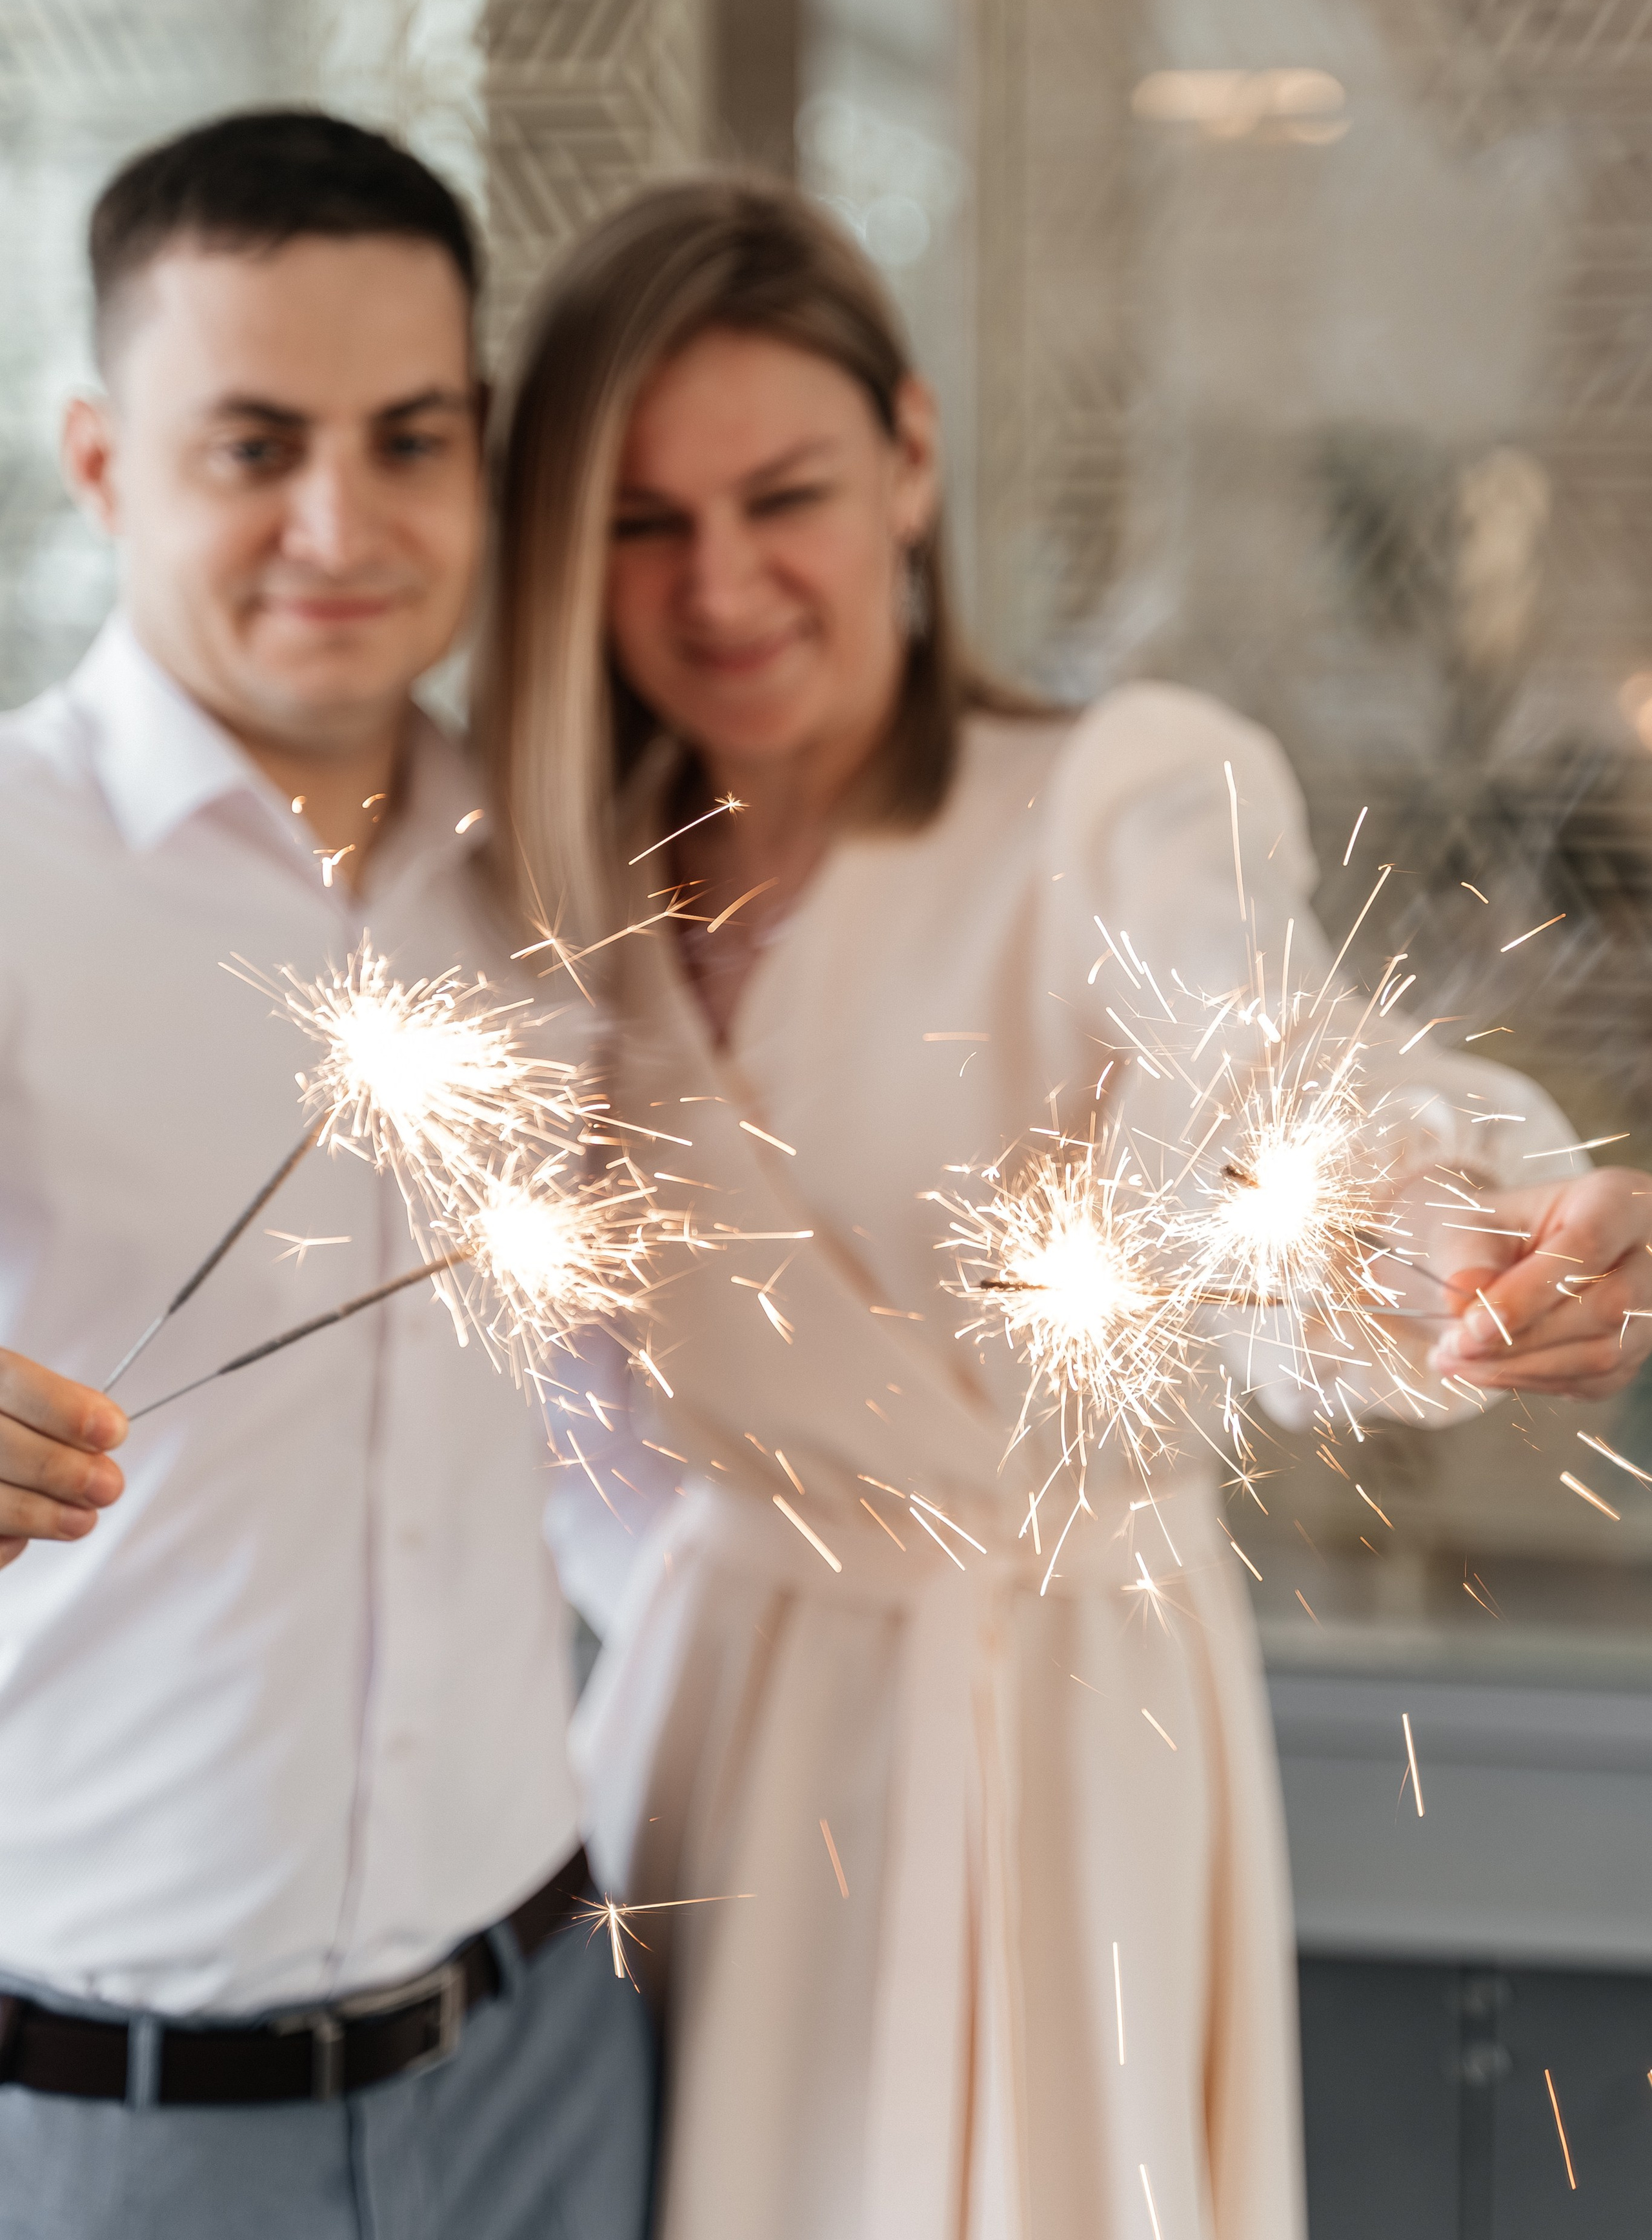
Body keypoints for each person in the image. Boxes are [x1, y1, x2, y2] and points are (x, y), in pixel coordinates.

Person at [479, 176, 1652, 2240]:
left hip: (1048, 1726)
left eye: (785, 495)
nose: (722, 581)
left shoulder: (1118, 796)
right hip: (706, 1727)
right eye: (644, 520)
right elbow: (563, 1405)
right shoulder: (556, 886)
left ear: (911, 458)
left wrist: (1450, 1242)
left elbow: (1258, 1069)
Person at [0, 111, 654, 2240]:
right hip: (113, 2126)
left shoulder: (568, 861)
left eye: (410, 439)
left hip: (551, 2055)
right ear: (102, 460)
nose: (340, 523)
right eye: (255, 445)